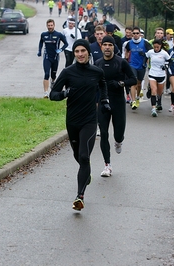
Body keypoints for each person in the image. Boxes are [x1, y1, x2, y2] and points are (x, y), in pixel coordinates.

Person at [49, 39, 110, 211]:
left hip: (90, 120)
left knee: (84, 156)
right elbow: (53, 94)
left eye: (83, 50)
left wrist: (104, 100)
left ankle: (80, 197)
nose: (80, 54)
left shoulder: (96, 72)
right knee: (78, 156)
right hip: (72, 121)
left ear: (88, 53)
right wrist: (65, 93)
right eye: (77, 51)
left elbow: (103, 84)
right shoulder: (68, 72)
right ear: (74, 53)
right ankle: (86, 173)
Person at [95, 36, 137, 177]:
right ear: (101, 47)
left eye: (110, 45)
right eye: (105, 44)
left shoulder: (121, 62)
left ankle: (118, 142)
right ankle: (107, 165)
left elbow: (133, 79)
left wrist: (121, 83)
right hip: (103, 102)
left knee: (118, 134)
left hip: (118, 101)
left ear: (113, 47)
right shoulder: (97, 63)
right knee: (104, 134)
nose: (107, 47)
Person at [37, 19, 68, 98]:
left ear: (54, 25)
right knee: (46, 74)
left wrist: (61, 49)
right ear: (47, 26)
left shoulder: (58, 34)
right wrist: (39, 51)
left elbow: (66, 44)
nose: (50, 27)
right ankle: (46, 92)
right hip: (47, 57)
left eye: (51, 25)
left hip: (55, 57)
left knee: (53, 75)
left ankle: (53, 82)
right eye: (49, 25)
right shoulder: (44, 34)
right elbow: (41, 42)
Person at [124, 26, 152, 110]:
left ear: (140, 34)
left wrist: (144, 55)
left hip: (142, 65)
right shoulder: (129, 43)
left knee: (139, 83)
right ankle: (133, 101)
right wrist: (126, 60)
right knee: (134, 82)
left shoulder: (145, 43)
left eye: (137, 33)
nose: (135, 35)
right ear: (132, 34)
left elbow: (151, 52)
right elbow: (126, 51)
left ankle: (137, 97)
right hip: (132, 65)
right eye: (134, 33)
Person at [145, 39, 170, 117]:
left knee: (159, 93)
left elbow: (169, 61)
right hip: (152, 73)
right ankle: (153, 108)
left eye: (157, 47)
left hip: (161, 75)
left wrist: (165, 66)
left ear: (160, 46)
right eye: (155, 47)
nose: (156, 48)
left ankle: (158, 101)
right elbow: (145, 57)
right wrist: (144, 64)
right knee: (154, 91)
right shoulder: (150, 52)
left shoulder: (164, 53)